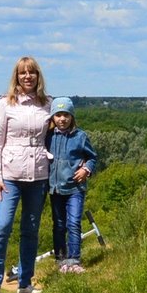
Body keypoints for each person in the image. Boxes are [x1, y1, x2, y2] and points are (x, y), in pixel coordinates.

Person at [0, 56, 52, 293]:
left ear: (38, 76)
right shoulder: (6, 104)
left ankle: (25, 283)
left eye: (31, 73)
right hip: (9, 176)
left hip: (38, 175)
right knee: (2, 225)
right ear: (16, 77)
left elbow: (58, 134)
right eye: (23, 73)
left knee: (30, 229)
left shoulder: (47, 104)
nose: (27, 77)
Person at [46, 97, 97, 273]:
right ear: (53, 117)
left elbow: (92, 157)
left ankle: (74, 260)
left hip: (75, 188)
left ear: (72, 116)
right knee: (59, 224)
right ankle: (61, 260)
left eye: (66, 115)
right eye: (58, 115)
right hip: (55, 188)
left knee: (73, 223)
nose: (62, 119)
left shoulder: (80, 136)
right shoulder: (48, 136)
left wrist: (86, 170)